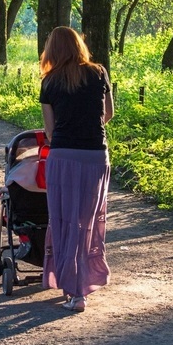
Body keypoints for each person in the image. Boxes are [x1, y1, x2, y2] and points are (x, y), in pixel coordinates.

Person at [39, 26, 114, 313]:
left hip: (63, 157)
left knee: (64, 220)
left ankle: (73, 290)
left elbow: (50, 130)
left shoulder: (49, 81)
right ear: (79, 45)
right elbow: (108, 114)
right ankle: (84, 283)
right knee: (88, 221)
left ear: (52, 50)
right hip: (95, 155)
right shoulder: (98, 73)